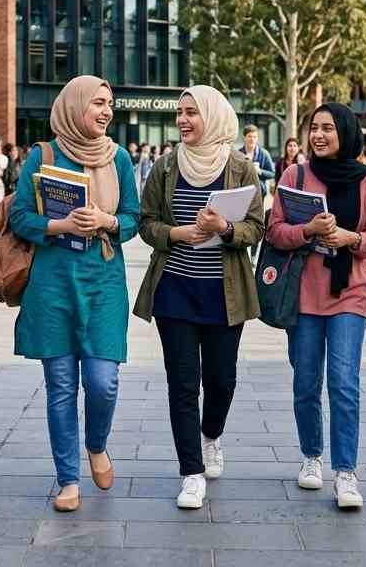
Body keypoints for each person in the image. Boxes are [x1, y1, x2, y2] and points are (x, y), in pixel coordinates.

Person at [9, 75, 140, 513]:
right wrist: (62, 226)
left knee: (102, 382)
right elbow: (21, 217)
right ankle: (67, 479)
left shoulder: (118, 158)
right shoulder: (41, 155)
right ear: (74, 106)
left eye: (109, 104)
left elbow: (133, 219)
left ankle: (97, 444)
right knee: (61, 385)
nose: (105, 111)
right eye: (97, 103)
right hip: (53, 284)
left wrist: (106, 221)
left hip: (103, 282)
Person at [133, 86, 264, 510]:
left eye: (192, 112)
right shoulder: (165, 167)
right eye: (180, 113)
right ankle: (190, 472)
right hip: (175, 291)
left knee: (222, 381)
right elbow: (146, 222)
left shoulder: (242, 168)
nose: (183, 120)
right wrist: (176, 234)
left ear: (214, 116)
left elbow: (256, 228)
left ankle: (211, 437)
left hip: (225, 295)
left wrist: (225, 229)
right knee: (183, 384)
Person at [269, 103, 366, 510]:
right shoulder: (294, 175)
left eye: (328, 128)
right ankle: (311, 457)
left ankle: (346, 472)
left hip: (349, 293)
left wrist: (350, 240)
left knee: (343, 382)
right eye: (314, 128)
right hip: (302, 296)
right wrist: (308, 231)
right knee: (305, 383)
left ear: (346, 133)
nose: (319, 135)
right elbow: (275, 232)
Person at [240, 125, 276, 193]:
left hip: (259, 192)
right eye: (249, 136)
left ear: (257, 138)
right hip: (242, 191)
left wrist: (259, 171)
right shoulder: (239, 154)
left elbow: (272, 173)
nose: (252, 139)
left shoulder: (264, 153)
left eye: (254, 137)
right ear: (244, 138)